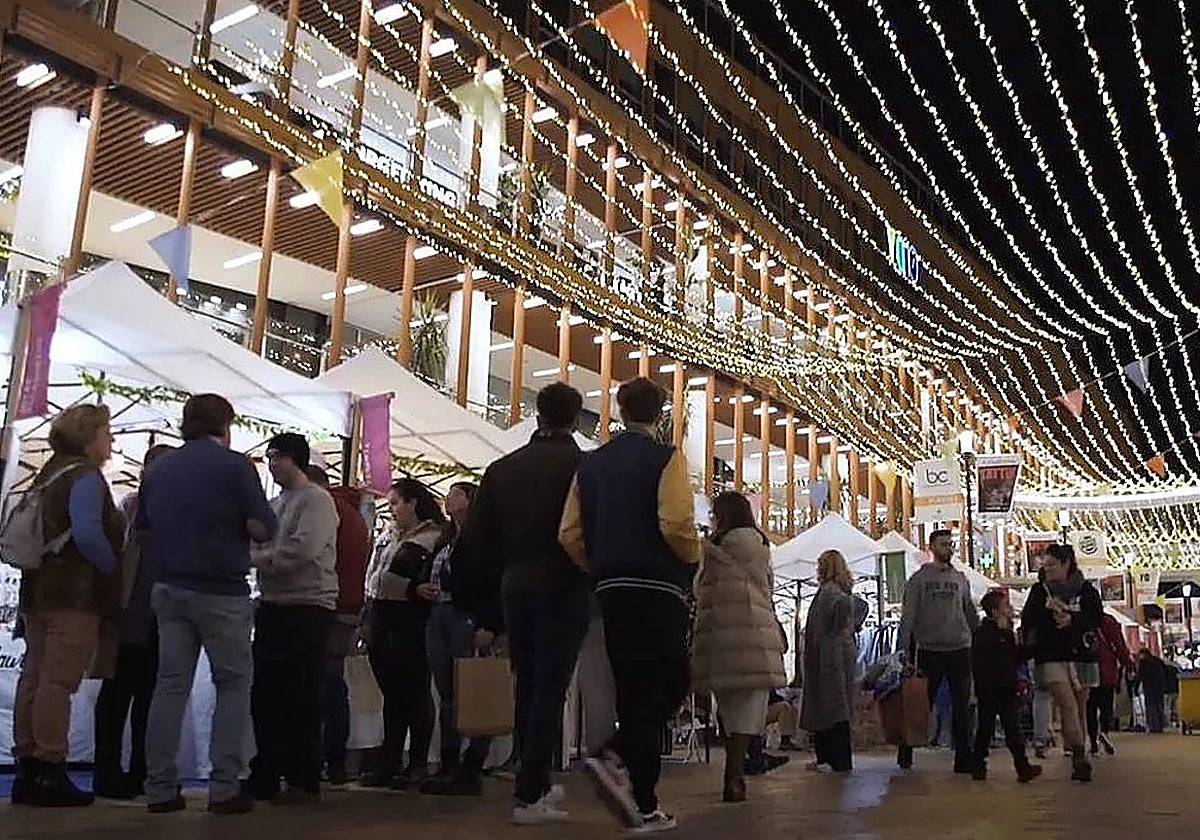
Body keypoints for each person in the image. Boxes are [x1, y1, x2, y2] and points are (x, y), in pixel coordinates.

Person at [561, 377, 700, 833]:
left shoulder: (591, 465)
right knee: (672, 681)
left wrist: (601, 564)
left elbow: (569, 533)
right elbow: (677, 522)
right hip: (657, 586)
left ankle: (641, 802)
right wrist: (691, 561)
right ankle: (614, 755)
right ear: (658, 416)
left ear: (620, 411)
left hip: (610, 588)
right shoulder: (666, 458)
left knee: (633, 689)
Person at [453, 382, 591, 825]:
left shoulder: (502, 469)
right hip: (565, 580)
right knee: (552, 685)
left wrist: (481, 605)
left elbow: (475, 543)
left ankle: (530, 778)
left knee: (527, 680)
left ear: (538, 415)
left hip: (516, 581)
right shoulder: (583, 468)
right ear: (575, 418)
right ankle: (532, 790)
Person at [140, 394, 278, 814]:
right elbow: (263, 528)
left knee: (169, 686)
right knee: (233, 684)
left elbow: (143, 529)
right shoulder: (236, 466)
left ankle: (160, 788)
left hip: (167, 586)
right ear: (226, 424)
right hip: (221, 589)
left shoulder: (159, 468)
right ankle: (223, 787)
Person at [11, 405, 124, 808]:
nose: (110, 440)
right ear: (89, 437)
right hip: (74, 593)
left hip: (37, 590)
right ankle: (50, 766)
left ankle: (27, 763)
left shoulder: (49, 473)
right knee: (58, 682)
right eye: (106, 432)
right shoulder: (85, 477)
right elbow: (90, 534)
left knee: (35, 676)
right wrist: (112, 570)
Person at [246, 434, 339, 804]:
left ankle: (303, 774)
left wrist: (259, 559)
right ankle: (267, 768)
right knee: (266, 691)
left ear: (296, 460)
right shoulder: (274, 503)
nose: (272, 463)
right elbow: (260, 543)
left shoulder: (317, 499)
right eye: (269, 457)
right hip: (273, 604)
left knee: (301, 691)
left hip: (308, 605)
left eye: (279, 456)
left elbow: (302, 549)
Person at [690, 491, 785, 803]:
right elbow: (767, 587)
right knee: (750, 709)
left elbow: (698, 588)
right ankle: (735, 773)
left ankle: (733, 770)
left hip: (720, 636)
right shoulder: (760, 547)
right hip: (755, 633)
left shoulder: (712, 549)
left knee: (728, 709)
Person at [92, 443, 175, 800]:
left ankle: (140, 771)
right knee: (121, 696)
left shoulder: (154, 508)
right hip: (132, 614)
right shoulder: (131, 506)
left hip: (156, 616)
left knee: (144, 698)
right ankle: (111, 771)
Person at [360, 478, 443, 789]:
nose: (391, 509)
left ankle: (418, 762)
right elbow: (375, 576)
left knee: (415, 692)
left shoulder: (434, 537)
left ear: (413, 503)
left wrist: (414, 589)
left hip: (412, 619)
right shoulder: (387, 535)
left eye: (396, 503)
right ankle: (390, 760)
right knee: (392, 694)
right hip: (380, 615)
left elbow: (434, 580)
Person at [421, 481, 496, 797]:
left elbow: (492, 580)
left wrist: (490, 623)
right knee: (448, 691)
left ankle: (471, 763)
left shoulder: (484, 539)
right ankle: (450, 761)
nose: (448, 499)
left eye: (456, 494)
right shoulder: (446, 538)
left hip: (466, 615)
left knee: (474, 688)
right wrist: (420, 587)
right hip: (439, 612)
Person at [303, 466, 370, 786]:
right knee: (331, 682)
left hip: (326, 604)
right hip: (347, 606)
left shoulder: (326, 511)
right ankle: (334, 760)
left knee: (322, 684)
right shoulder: (353, 515)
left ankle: (320, 758)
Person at [895, 529, 978, 773]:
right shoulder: (918, 580)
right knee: (921, 704)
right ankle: (906, 750)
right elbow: (908, 616)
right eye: (943, 544)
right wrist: (903, 649)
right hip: (930, 650)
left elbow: (969, 611)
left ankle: (963, 757)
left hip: (960, 648)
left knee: (962, 705)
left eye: (950, 544)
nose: (948, 548)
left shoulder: (961, 578)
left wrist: (979, 635)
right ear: (931, 547)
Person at [1021, 544, 1103, 783]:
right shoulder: (1039, 591)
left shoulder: (1085, 590)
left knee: (1079, 708)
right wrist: (1047, 616)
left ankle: (1078, 748)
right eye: (1045, 566)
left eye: (1052, 565)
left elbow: (1096, 617)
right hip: (1051, 655)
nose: (1048, 570)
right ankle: (1079, 757)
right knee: (1067, 704)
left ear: (1066, 563)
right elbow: (1028, 620)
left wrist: (1072, 619)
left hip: (1081, 655)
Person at [970, 590, 1041, 783]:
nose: (1010, 609)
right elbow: (994, 660)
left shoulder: (1005, 633)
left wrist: (1031, 649)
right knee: (986, 728)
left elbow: (1014, 657)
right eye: (1006, 605)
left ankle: (1021, 766)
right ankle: (979, 765)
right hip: (990, 689)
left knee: (1011, 729)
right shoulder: (984, 635)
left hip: (1006, 688)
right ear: (995, 611)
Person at [799, 549, 857, 775]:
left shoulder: (829, 593)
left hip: (829, 656)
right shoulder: (836, 592)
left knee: (830, 706)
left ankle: (835, 758)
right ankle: (835, 758)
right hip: (837, 653)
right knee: (836, 705)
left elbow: (846, 608)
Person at [1089, 610, 1133, 755]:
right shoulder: (1108, 621)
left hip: (1088, 670)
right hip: (1107, 671)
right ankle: (1105, 733)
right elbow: (1119, 645)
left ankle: (1093, 742)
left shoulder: (1081, 619)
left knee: (1090, 708)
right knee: (1106, 706)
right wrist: (1128, 664)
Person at [1137, 649, 1168, 734]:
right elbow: (1164, 673)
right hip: (1160, 687)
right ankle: (1160, 725)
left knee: (1151, 707)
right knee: (1159, 706)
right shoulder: (1158, 661)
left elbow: (1139, 675)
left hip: (1149, 687)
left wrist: (1136, 687)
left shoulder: (1143, 662)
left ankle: (1153, 726)